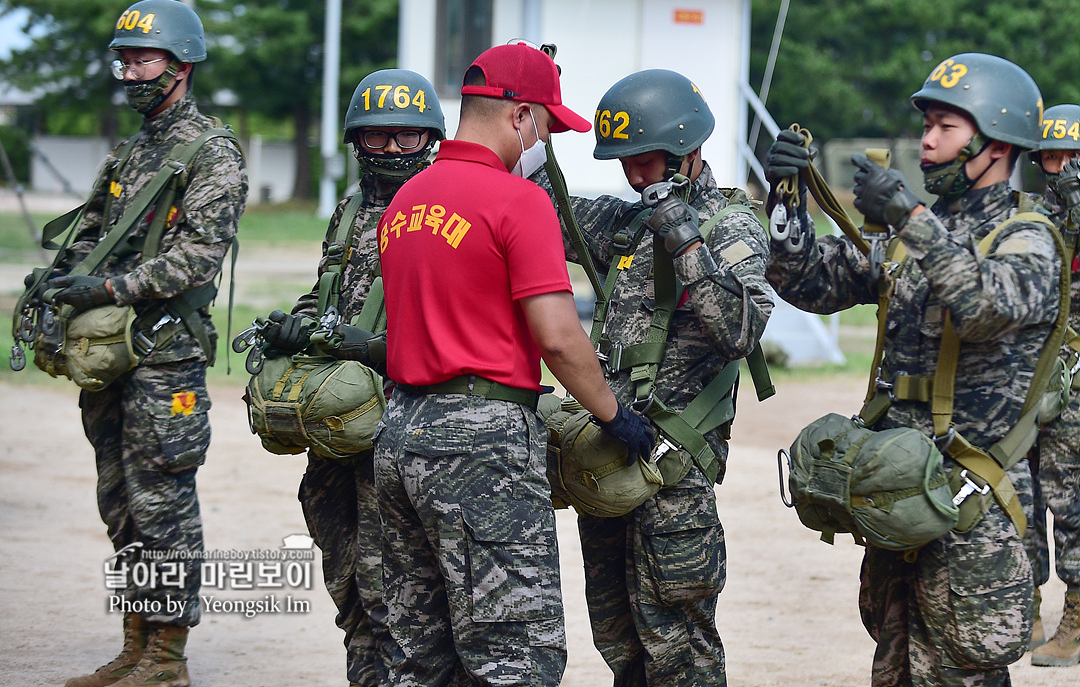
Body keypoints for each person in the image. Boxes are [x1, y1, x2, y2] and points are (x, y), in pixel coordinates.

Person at [765, 53, 1058, 686]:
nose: (927, 141)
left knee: (962, 671)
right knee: (894, 668)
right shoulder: (909, 236)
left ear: (997, 143)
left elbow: (982, 308)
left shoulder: (1028, 235)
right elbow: (806, 282)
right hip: (897, 496)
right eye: (926, 124)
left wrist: (910, 218)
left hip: (971, 508)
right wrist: (785, 199)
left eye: (946, 127)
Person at [373, 42, 654, 687]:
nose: (543, 141)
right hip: (481, 446)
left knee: (419, 652)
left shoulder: (407, 198)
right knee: (513, 654)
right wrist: (614, 415)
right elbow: (557, 339)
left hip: (400, 436)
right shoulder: (517, 202)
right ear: (521, 118)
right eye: (546, 127)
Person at [533, 68, 773, 686]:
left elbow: (741, 331)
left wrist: (679, 231)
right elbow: (530, 209)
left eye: (648, 161)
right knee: (619, 642)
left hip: (676, 473)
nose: (637, 176)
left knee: (679, 647)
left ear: (689, 148)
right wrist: (531, 118)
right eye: (625, 163)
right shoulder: (623, 224)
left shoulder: (732, 225)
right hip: (610, 457)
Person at [49, 0, 247, 687]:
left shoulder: (211, 152)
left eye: (144, 59)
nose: (131, 71)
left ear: (181, 65)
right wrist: (58, 284)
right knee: (121, 506)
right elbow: (91, 234)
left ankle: (168, 658)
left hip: (166, 359)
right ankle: (136, 645)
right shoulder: (130, 151)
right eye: (125, 59)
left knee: (163, 506)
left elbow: (196, 260)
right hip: (113, 358)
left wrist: (104, 291)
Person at [256, 68, 446, 686]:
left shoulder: (449, 211)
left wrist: (367, 346)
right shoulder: (350, 212)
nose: (392, 150)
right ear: (356, 143)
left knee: (399, 600)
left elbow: (454, 327)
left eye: (407, 137)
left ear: (432, 139)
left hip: (407, 428)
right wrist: (297, 326)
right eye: (377, 137)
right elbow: (327, 296)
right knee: (352, 595)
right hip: (341, 425)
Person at [1023, 103, 1080, 667]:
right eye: (1051, 158)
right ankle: (1029, 604)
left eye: (1072, 159)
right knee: (1026, 491)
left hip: (1076, 387)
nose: (1059, 169)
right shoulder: (1037, 214)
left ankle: (1078, 615)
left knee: (1070, 500)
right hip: (1034, 378)